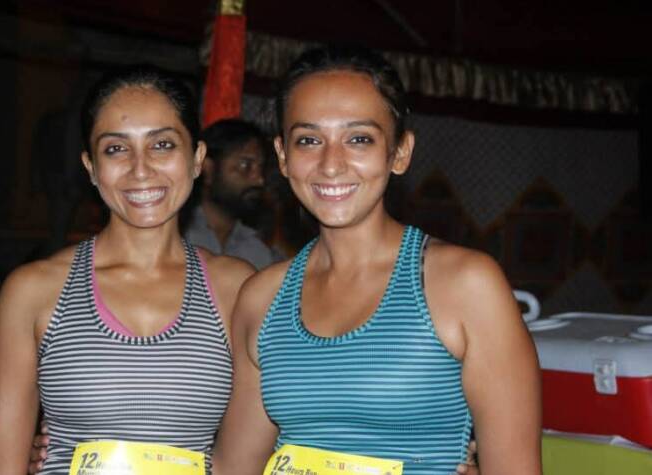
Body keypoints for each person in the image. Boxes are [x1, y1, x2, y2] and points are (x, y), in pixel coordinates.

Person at [211, 46, 542, 474]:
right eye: (309, 140)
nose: (331, 164)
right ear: (283, 156)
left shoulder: (463, 284)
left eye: (359, 139)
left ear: (400, 152)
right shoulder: (262, 299)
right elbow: (234, 467)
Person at [0, 65, 255, 475]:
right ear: (90, 167)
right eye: (116, 149)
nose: (141, 169)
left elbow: (253, 455)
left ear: (196, 159)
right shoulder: (34, 290)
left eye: (162, 145)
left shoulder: (237, 288)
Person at [184, 118, 283, 269]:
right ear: (208, 169)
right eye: (245, 165)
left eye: (261, 168)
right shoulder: (176, 236)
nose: (259, 180)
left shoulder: (258, 249)